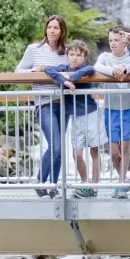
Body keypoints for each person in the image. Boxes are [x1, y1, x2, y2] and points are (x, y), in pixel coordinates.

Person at [44, 40, 107, 198]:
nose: (74, 58)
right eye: (71, 54)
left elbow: (91, 69)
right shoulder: (63, 68)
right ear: (67, 55)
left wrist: (73, 77)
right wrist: (64, 80)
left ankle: (95, 186)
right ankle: (85, 183)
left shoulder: (86, 69)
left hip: (90, 113)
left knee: (94, 150)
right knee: (77, 154)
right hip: (75, 117)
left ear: (84, 56)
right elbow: (48, 69)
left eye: (78, 55)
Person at [15, 15, 69, 199]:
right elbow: (18, 71)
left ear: (62, 31)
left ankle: (53, 187)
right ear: (46, 29)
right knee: (55, 146)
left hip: (64, 104)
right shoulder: (34, 49)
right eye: (49, 27)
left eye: (56, 28)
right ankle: (40, 181)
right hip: (45, 104)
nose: (52, 30)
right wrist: (34, 70)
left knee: (59, 148)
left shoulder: (66, 52)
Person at [94, 26, 130, 199]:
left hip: (127, 109)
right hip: (110, 110)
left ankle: (121, 184)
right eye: (110, 40)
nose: (113, 43)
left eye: (116, 40)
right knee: (114, 152)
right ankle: (123, 179)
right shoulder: (105, 57)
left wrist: (125, 68)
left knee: (126, 147)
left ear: (124, 41)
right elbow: (97, 66)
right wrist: (114, 72)